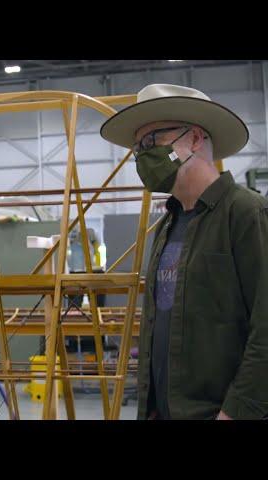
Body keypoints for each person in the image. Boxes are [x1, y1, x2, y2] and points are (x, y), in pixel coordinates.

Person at [100, 84, 268, 420]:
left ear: (194, 139)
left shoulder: (246, 213)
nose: (143, 155)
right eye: (138, 148)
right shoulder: (166, 227)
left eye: (152, 141)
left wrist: (236, 411)